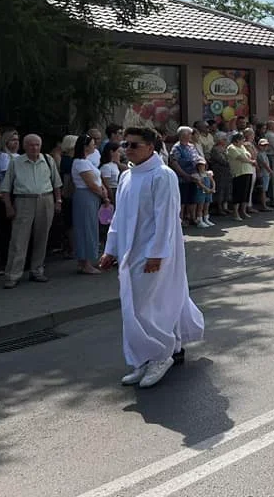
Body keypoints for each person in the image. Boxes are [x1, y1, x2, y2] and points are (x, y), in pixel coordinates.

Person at [98, 127, 205, 388]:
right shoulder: (127, 177)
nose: (127, 149)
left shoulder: (163, 175)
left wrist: (156, 254)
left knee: (149, 305)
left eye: (134, 145)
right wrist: (110, 249)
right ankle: (145, 357)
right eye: (125, 144)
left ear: (150, 147)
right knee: (134, 304)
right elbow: (118, 218)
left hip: (156, 253)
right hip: (129, 251)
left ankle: (161, 355)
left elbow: (167, 218)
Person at [0, 134, 62, 288]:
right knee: (19, 238)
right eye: (31, 145)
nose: (34, 148)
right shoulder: (16, 162)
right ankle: (13, 274)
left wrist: (58, 200)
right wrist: (8, 206)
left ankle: (37, 270)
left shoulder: (47, 160)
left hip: (45, 199)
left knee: (42, 237)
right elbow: (6, 187)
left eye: (37, 145)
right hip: (24, 200)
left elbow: (56, 183)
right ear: (25, 146)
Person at [72, 133, 110, 275]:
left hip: (92, 196)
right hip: (85, 196)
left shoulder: (86, 161)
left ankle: (84, 261)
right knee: (86, 228)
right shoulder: (80, 163)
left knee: (90, 227)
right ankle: (85, 262)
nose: (95, 146)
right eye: (93, 144)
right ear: (85, 146)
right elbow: (91, 184)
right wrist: (104, 195)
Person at [169, 126, 204, 227]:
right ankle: (181, 219)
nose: (190, 136)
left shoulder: (191, 146)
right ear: (183, 135)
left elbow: (197, 158)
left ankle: (191, 217)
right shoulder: (177, 147)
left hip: (193, 176)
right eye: (189, 134)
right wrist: (184, 175)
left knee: (192, 198)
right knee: (183, 199)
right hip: (182, 177)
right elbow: (174, 163)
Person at [227, 132, 255, 221]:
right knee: (238, 193)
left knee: (245, 193)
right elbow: (241, 158)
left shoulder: (242, 147)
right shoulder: (231, 148)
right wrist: (251, 161)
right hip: (239, 173)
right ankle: (235, 213)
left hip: (248, 171)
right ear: (237, 140)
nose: (243, 141)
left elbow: (249, 155)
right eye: (242, 139)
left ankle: (243, 211)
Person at [195, 161, 216, 227]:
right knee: (200, 207)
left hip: (209, 192)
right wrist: (206, 189)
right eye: (200, 166)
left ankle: (206, 219)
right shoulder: (196, 175)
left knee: (206, 206)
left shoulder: (208, 173)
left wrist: (213, 188)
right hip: (201, 192)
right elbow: (199, 183)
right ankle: (199, 221)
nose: (201, 167)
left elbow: (212, 181)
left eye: (203, 166)